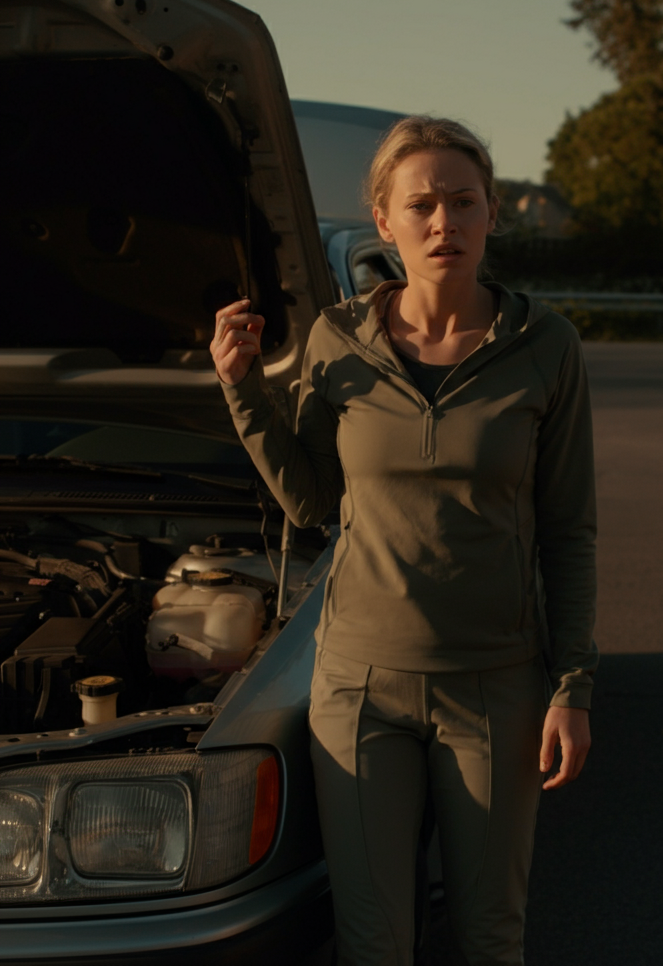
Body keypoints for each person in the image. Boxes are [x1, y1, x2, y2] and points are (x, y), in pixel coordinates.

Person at [210, 116, 597, 965]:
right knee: (374, 941)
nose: (443, 222)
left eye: (463, 202)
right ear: (384, 222)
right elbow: (312, 502)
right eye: (421, 204)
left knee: (491, 938)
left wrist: (571, 684)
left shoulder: (546, 347)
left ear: (494, 212)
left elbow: (570, 532)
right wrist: (245, 395)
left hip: (495, 686)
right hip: (358, 690)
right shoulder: (336, 341)